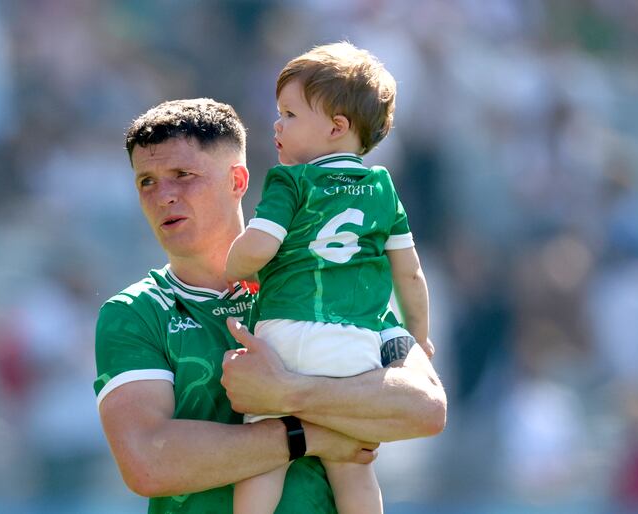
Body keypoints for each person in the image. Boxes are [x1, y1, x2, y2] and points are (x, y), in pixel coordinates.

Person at [94, 97, 446, 514]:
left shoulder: (323, 281)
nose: (163, 195)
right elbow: (148, 462)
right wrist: (306, 435)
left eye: (182, 175)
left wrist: (287, 392)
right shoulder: (134, 313)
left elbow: (424, 408)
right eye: (146, 181)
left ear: (238, 181)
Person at [224, 42, 432, 514]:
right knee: (354, 466)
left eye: (290, 114)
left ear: (337, 126)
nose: (277, 124)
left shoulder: (291, 181)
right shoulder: (383, 188)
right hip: (352, 348)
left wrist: (231, 263)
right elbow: (412, 274)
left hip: (283, 335)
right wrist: (418, 337)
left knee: (262, 458)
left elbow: (257, 248)